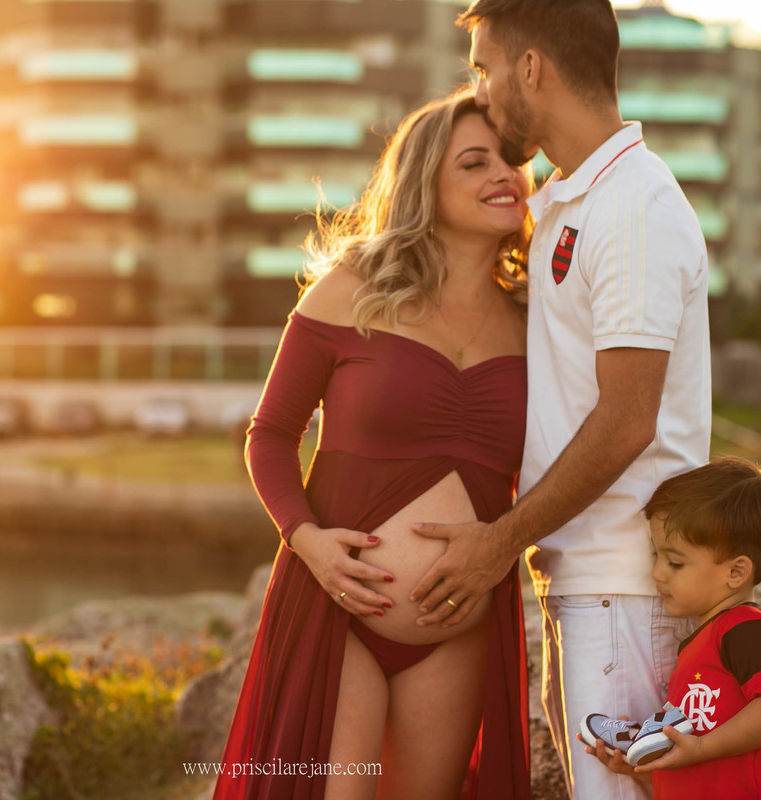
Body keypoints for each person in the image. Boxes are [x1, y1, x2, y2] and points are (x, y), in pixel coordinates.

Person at [406, 1, 711, 798]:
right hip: (583, 581)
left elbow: (626, 420)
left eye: (483, 67)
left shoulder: (635, 208)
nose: (478, 87)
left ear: (531, 68)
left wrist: (497, 541)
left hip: (626, 586)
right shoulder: (570, 198)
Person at [213, 86, 533, 800]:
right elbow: (270, 436)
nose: (503, 177)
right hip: (339, 609)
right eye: (474, 163)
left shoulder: (535, 316)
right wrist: (308, 541)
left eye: (511, 161)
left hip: (457, 626)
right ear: (426, 184)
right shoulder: (347, 290)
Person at [579, 456, 761, 799]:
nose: (657, 572)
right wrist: (643, 766)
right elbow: (705, 769)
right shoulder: (697, 647)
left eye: (675, 562)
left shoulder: (746, 629)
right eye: (656, 555)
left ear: (736, 572)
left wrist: (700, 747)